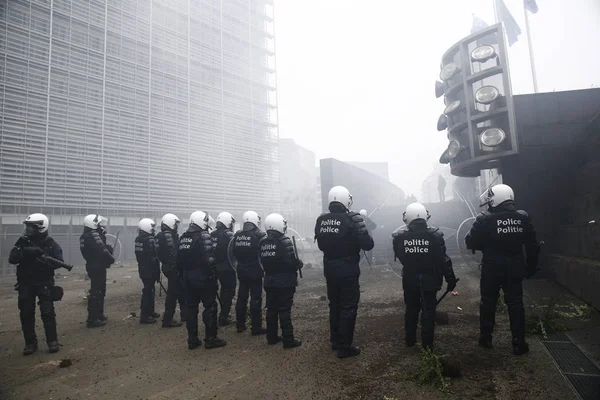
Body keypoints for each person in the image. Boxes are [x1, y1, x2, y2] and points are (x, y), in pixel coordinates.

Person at [466, 184, 540, 355]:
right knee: (516, 304)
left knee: (488, 302)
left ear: (495, 200)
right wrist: (531, 268)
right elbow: (532, 246)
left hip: (492, 268)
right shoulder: (523, 218)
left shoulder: (484, 219)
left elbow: (471, 242)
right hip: (514, 267)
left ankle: (486, 338)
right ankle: (519, 342)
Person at [314, 186, 374, 358]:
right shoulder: (353, 219)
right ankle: (345, 347)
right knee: (348, 307)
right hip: (348, 270)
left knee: (335, 305)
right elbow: (368, 245)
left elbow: (320, 245)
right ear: (346, 200)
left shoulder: (321, 220)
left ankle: (335, 341)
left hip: (330, 269)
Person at [392, 203, 457, 350]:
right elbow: (443, 259)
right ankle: (428, 344)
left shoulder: (399, 238)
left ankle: (410, 340)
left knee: (411, 309)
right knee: (429, 310)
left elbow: (400, 256)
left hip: (409, 279)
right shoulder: (435, 236)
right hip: (431, 278)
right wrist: (450, 279)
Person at [9, 214, 64, 355]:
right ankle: (30, 343)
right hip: (25, 283)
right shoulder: (22, 241)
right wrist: (25, 252)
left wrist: (42, 261)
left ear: (40, 227)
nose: (28, 229)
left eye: (31, 226)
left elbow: (58, 261)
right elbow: (12, 258)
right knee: (26, 313)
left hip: (44, 282)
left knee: (47, 312)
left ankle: (52, 341)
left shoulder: (50, 242)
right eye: (27, 226)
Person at [178, 211, 226, 350]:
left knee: (191, 309)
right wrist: (214, 277)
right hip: (203, 278)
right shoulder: (204, 236)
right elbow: (209, 260)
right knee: (210, 307)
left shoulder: (183, 237)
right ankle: (211, 339)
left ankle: (192, 340)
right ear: (202, 222)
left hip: (188, 278)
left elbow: (179, 261)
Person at [259, 213, 303, 348]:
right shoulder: (285, 241)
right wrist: (298, 264)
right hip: (284, 281)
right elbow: (289, 261)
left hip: (269, 280)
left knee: (271, 309)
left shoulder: (263, 243)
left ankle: (271, 337)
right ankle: (288, 339)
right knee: (284, 310)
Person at [232, 211, 268, 335]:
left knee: (241, 297)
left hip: (241, 270)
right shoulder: (259, 235)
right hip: (255, 270)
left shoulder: (237, 235)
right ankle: (256, 327)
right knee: (256, 299)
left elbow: (232, 252)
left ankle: (240, 324)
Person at [80, 214, 115, 328]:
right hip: (97, 266)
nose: (101, 225)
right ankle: (93, 318)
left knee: (99, 290)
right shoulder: (93, 235)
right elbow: (101, 250)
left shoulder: (86, 235)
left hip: (93, 265)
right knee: (97, 292)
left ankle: (99, 315)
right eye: (99, 223)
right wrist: (110, 257)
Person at [157, 213, 185, 328]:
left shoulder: (160, 235)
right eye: (175, 224)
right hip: (173, 268)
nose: (177, 226)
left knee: (179, 291)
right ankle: (168, 319)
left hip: (167, 267)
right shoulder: (168, 236)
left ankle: (184, 314)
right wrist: (178, 267)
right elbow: (173, 253)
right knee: (173, 294)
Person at [211, 212, 237, 326]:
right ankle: (224, 316)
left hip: (215, 267)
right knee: (229, 291)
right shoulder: (229, 235)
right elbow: (234, 251)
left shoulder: (212, 234)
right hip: (228, 267)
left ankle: (222, 313)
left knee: (222, 291)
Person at [135, 218, 161, 324]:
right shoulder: (149, 240)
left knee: (149, 290)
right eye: (152, 227)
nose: (153, 229)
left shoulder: (138, 239)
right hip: (149, 269)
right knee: (148, 291)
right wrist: (156, 271)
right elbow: (153, 256)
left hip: (143, 268)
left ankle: (150, 312)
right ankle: (145, 315)